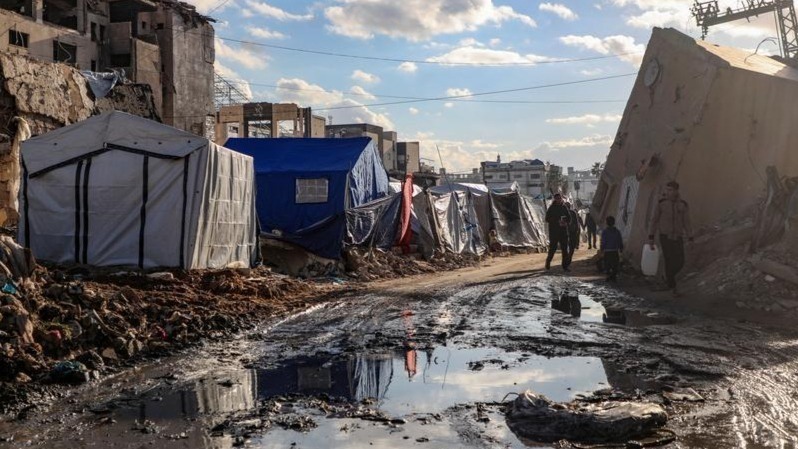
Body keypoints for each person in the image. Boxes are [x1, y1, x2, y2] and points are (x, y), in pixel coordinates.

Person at [648, 181, 693, 295]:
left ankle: (667, 279)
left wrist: (690, 237)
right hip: (665, 236)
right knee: (669, 260)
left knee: (680, 261)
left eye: (670, 190)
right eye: (667, 189)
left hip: (678, 237)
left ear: (676, 191)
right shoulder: (661, 204)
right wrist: (651, 237)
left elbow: (687, 222)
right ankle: (672, 286)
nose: (668, 192)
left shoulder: (683, 205)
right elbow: (654, 221)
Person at [545, 193, 571, 271]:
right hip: (554, 232)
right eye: (557, 199)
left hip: (563, 231)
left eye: (560, 198)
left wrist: (565, 222)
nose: (559, 200)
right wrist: (556, 221)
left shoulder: (564, 207)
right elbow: (547, 219)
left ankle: (565, 266)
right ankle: (548, 262)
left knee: (565, 249)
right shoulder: (551, 208)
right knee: (553, 248)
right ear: (555, 199)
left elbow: (569, 218)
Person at [600, 216, 623, 282]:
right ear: (614, 222)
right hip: (615, 251)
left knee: (607, 265)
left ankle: (609, 276)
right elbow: (619, 240)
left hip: (607, 251)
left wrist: (602, 249)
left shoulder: (605, 232)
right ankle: (613, 276)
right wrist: (621, 248)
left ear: (607, 223)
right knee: (615, 265)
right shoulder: (617, 231)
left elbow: (603, 241)